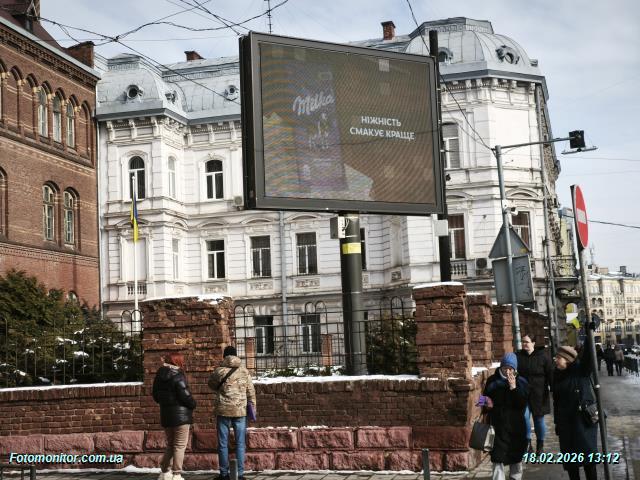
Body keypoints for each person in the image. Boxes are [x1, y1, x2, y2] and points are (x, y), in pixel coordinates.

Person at [208, 346, 256, 480]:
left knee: (223, 443)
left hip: (223, 411)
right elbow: (251, 391)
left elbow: (211, 385)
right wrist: (253, 408)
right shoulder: (244, 371)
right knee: (240, 443)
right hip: (240, 412)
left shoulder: (219, 371)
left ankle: (224, 474)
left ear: (224, 356)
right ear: (236, 355)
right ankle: (239, 474)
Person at [552, 344, 598, 480]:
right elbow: (556, 402)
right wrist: (557, 423)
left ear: (567, 359)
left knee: (589, 462)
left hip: (583, 424)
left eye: (558, 357)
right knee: (571, 465)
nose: (555, 359)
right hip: (566, 426)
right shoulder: (557, 374)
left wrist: (589, 336)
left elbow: (589, 357)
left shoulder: (581, 371)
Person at [483, 352, 529, 480]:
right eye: (505, 368)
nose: (508, 371)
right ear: (501, 367)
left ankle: (516, 477)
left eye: (510, 369)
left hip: (516, 426)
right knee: (497, 457)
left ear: (515, 369)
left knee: (516, 456)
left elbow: (522, 403)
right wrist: (486, 402)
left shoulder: (521, 382)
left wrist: (513, 388)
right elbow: (482, 399)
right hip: (498, 426)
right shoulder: (492, 381)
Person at [152, 352, 197, 480]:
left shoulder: (159, 376)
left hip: (166, 416)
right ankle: (176, 474)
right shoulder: (178, 375)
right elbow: (186, 396)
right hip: (181, 417)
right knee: (179, 446)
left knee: (171, 445)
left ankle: (164, 472)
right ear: (177, 362)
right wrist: (193, 404)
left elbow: (155, 396)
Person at [516, 334, 553, 455]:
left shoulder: (543, 356)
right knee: (524, 417)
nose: (524, 344)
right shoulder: (518, 356)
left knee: (539, 420)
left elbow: (550, 374)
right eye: (523, 342)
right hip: (523, 393)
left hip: (539, 394)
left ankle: (540, 446)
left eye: (527, 342)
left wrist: (553, 388)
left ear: (533, 343)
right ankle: (528, 444)